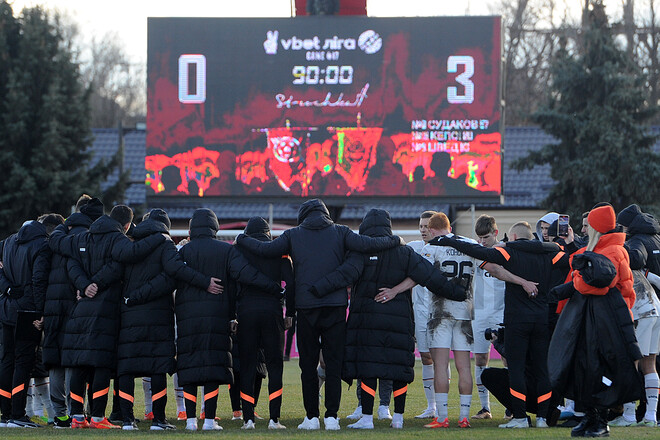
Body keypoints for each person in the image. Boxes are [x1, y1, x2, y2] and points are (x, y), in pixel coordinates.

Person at [235, 199, 401, 431]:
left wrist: (241, 238)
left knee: (308, 365)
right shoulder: (341, 232)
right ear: (325, 214)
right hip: (335, 307)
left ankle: (311, 417)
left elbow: (265, 249)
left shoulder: (293, 235)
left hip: (306, 308)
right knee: (333, 364)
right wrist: (395, 239)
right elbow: (367, 244)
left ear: (303, 215)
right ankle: (332, 417)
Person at [310, 208, 468, 429]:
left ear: (366, 227)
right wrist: (459, 293)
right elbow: (430, 276)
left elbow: (343, 275)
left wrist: (316, 289)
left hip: (365, 322)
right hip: (399, 320)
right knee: (398, 369)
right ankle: (398, 418)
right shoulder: (404, 253)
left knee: (367, 368)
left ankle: (366, 419)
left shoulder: (360, 253)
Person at [434, 221, 568, 428]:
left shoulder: (510, 253)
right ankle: (542, 417)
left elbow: (478, 251)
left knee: (516, 369)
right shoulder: (551, 254)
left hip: (517, 321)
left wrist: (449, 240)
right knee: (542, 370)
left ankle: (521, 417)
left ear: (512, 238)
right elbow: (571, 257)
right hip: (541, 319)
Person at [49, 205, 168, 429]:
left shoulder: (81, 238)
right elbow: (131, 255)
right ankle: (96, 417)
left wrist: (84, 285)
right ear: (125, 226)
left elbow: (62, 251)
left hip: (80, 309)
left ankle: (76, 417)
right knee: (101, 364)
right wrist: (161, 238)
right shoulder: (118, 240)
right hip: (106, 310)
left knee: (79, 364)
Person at [175, 208, 282, 431]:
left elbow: (171, 275)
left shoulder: (182, 252)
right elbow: (245, 274)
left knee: (189, 364)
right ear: (214, 227)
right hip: (216, 315)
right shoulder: (225, 250)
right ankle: (210, 421)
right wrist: (273, 287)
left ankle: (191, 421)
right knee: (213, 364)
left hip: (187, 317)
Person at [116, 208, 222, 431]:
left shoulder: (127, 244)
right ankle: (158, 420)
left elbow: (115, 273)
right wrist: (204, 282)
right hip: (157, 313)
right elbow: (174, 271)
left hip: (128, 312)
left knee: (126, 367)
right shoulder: (165, 245)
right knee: (157, 367)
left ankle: (127, 421)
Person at [550, 204, 640, 437]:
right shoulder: (603, 249)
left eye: (588, 225)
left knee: (599, 370)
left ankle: (600, 421)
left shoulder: (612, 251)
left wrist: (578, 278)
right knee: (585, 369)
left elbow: (595, 286)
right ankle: (590, 417)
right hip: (596, 320)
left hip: (607, 323)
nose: (584, 229)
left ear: (597, 228)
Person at [42, 196, 104, 428]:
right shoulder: (88, 237)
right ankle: (75, 411)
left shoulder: (59, 235)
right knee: (74, 359)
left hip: (52, 303)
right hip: (76, 303)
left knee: (55, 358)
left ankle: (59, 415)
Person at [0, 214, 63, 428]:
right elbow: (38, 279)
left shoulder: (9, 241)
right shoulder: (42, 245)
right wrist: (39, 312)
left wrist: (7, 287)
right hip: (28, 311)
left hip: (7, 309)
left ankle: (6, 414)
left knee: (6, 361)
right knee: (24, 363)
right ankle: (18, 414)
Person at [234, 217, 295, 430]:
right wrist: (291, 313)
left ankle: (248, 419)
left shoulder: (239, 251)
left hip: (246, 312)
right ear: (268, 234)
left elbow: (232, 284)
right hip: (272, 312)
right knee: (275, 365)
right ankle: (274, 419)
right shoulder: (279, 253)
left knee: (248, 365)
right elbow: (292, 283)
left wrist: (233, 315)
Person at [609, 203, 660, 427]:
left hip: (640, 305)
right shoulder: (657, 237)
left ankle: (629, 415)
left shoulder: (636, 241)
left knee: (632, 361)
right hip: (655, 306)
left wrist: (620, 250)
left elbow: (636, 259)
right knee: (651, 362)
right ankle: (650, 416)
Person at [469, 215, 506, 420]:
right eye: (479, 238)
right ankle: (485, 408)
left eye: (486, 237)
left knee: (506, 356)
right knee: (480, 358)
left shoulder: (506, 252)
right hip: (479, 312)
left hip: (501, 312)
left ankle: (511, 405)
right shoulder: (476, 253)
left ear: (496, 233)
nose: (482, 242)